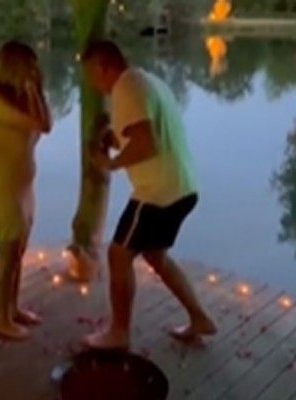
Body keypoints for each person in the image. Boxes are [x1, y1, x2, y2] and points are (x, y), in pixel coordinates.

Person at [79, 40, 216, 349]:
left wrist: (110, 163)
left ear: (103, 66)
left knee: (118, 255)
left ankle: (119, 333)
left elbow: (146, 143)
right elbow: (138, 135)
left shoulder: (126, 88)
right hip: (182, 188)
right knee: (154, 254)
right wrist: (110, 137)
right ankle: (200, 317)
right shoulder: (146, 81)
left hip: (158, 193)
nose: (91, 83)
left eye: (91, 74)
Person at [0, 41, 52, 340]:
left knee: (18, 254)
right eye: (29, 66)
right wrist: (33, 92)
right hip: (2, 192)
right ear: (14, 67)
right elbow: (40, 125)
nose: (35, 71)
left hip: (23, 192)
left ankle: (14, 309)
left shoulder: (21, 101)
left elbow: (48, 122)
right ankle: (0, 319)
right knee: (7, 258)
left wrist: (35, 92)